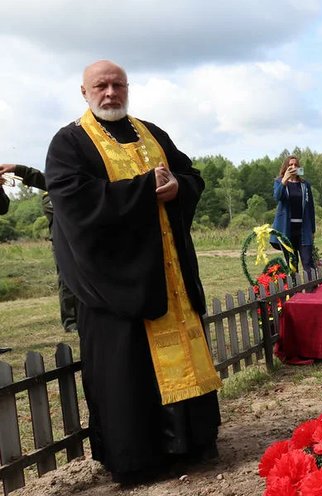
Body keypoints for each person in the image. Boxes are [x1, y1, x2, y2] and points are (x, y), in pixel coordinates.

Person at [45, 60, 222, 484]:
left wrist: (178, 187)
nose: (111, 93)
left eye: (118, 85)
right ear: (84, 92)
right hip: (115, 287)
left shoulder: (153, 133)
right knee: (128, 376)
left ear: (127, 88)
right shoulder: (69, 143)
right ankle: (139, 460)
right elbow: (75, 203)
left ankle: (192, 445)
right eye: (101, 86)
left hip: (169, 276)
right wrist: (145, 187)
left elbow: (189, 174)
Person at [0, 163, 79, 333]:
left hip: (80, 242)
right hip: (64, 243)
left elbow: (2, 206)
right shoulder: (49, 196)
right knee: (66, 281)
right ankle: (70, 321)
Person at [271, 155, 316, 271]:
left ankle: (312, 288)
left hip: (303, 229)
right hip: (287, 229)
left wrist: (312, 230)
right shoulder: (279, 182)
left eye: (296, 165)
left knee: (307, 262)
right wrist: (284, 180)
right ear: (286, 167)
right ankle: (295, 288)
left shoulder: (305, 185)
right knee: (292, 264)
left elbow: (310, 207)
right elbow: (277, 197)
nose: (293, 167)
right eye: (290, 165)